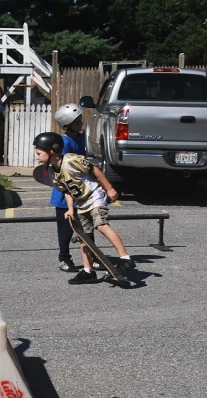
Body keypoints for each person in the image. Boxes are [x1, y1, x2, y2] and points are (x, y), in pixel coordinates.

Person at [33, 132, 135, 285]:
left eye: (39, 153)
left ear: (51, 151)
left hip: (94, 196)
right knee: (83, 236)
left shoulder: (70, 160)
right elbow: (66, 190)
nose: (37, 157)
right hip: (81, 202)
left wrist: (109, 188)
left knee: (101, 226)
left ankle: (125, 258)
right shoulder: (54, 172)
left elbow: (94, 170)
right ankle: (88, 271)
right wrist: (70, 209)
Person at [33, 103, 100, 272]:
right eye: (77, 121)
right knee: (66, 230)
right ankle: (64, 258)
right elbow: (62, 169)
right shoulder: (63, 142)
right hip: (65, 193)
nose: (81, 123)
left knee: (87, 226)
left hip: (81, 190)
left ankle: (93, 256)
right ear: (67, 124)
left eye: (80, 120)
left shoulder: (81, 138)